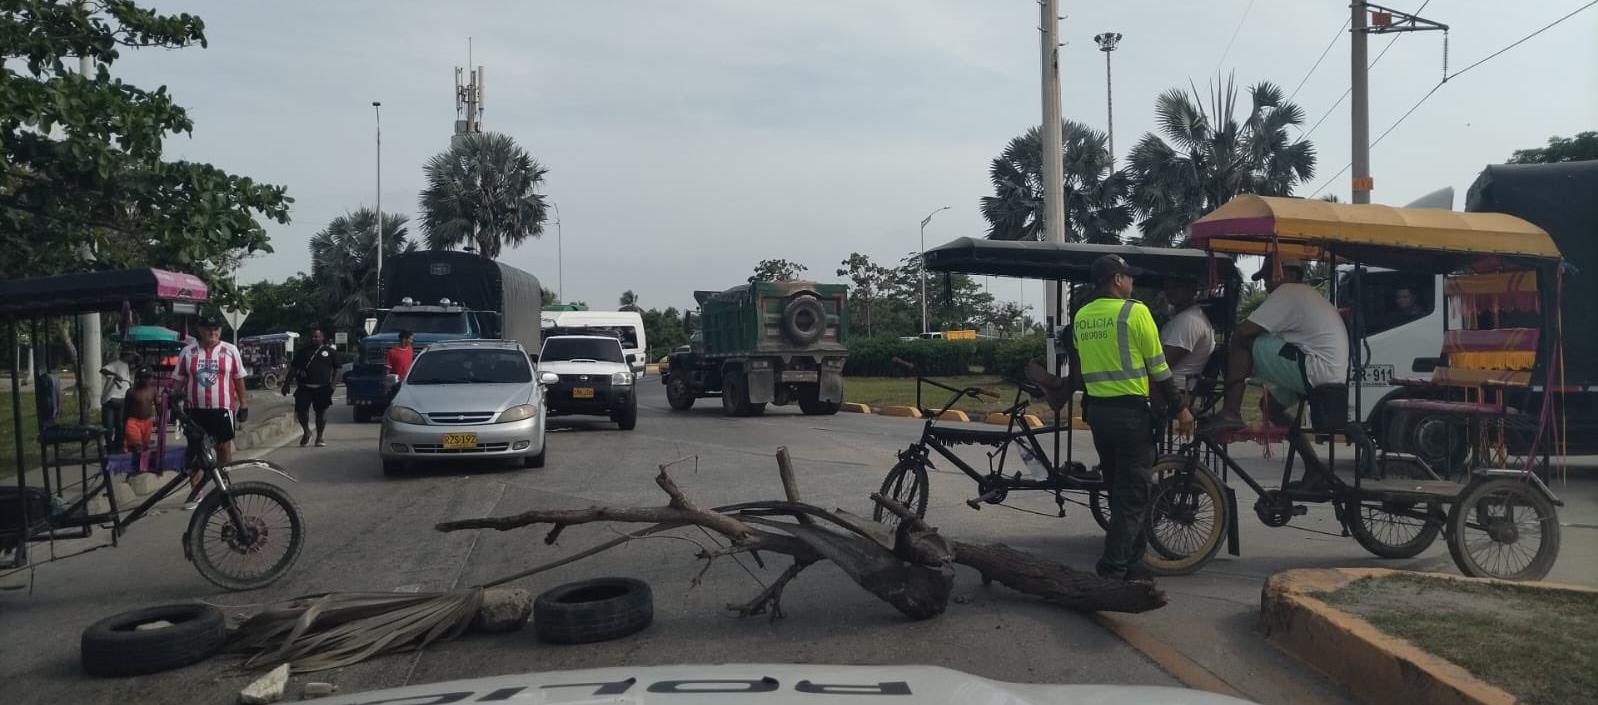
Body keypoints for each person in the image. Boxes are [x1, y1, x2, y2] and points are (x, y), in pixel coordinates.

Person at [1071, 255, 1192, 583]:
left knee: (1117, 489)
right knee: (1135, 492)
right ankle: (1112, 567)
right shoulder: (1134, 312)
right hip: (1130, 415)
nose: (1133, 282)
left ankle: (1134, 561)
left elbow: (1083, 367)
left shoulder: (1082, 316)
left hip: (1098, 415)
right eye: (1129, 277)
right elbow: (1159, 368)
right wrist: (1181, 407)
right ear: (1116, 280)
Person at [1203, 254, 1350, 486]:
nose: (1267, 285)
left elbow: (1245, 330)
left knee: (1239, 341)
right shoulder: (1306, 295)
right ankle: (1314, 468)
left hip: (1314, 368)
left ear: (1287, 274)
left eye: (1269, 278)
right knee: (1269, 407)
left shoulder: (1289, 293)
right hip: (1322, 369)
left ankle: (1231, 412)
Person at [172, 318, 248, 469]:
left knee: (224, 448)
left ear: (220, 331)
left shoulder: (231, 351)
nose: (212, 332)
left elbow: (239, 378)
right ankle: (198, 492)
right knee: (196, 451)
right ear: (200, 330)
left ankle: (223, 487)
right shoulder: (187, 352)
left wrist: (244, 404)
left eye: (216, 329)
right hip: (194, 411)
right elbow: (178, 382)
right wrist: (173, 405)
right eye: (208, 328)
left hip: (222, 409)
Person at [1158, 277, 1216, 401]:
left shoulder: (1189, 321)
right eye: (1167, 287)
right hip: (1168, 388)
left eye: (1177, 287)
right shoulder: (1182, 317)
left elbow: (1162, 364)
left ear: (1193, 290)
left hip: (1171, 391)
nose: (1170, 291)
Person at [282, 329, 340, 447]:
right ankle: (307, 432)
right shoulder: (303, 352)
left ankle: (319, 437)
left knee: (321, 412)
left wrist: (333, 385)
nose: (314, 339)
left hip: (322, 388)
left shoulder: (330, 352)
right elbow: (293, 369)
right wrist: (286, 384)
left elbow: (338, 369)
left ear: (322, 338)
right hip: (304, 387)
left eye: (316, 337)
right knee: (301, 411)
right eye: (312, 337)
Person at [99, 349, 139, 451]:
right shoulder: (115, 364)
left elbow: (139, 362)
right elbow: (103, 370)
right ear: (126, 356)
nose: (132, 359)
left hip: (122, 400)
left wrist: (136, 354)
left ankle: (118, 447)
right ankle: (110, 448)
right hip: (111, 399)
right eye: (131, 356)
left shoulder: (127, 366)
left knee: (120, 426)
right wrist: (115, 375)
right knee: (109, 427)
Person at [123, 370, 157, 469]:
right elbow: (126, 409)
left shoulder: (153, 390)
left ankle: (142, 468)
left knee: (145, 448)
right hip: (133, 422)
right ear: (138, 379)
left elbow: (158, 405)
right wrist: (123, 426)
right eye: (144, 377)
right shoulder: (130, 392)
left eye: (148, 377)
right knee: (137, 446)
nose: (146, 380)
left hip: (147, 422)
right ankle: (136, 467)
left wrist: (160, 419)